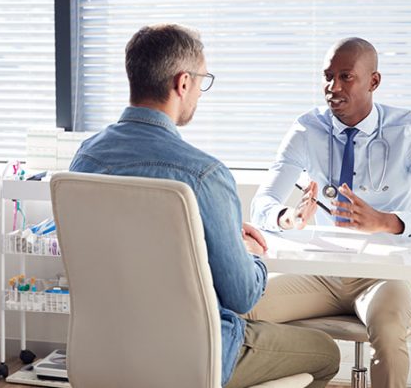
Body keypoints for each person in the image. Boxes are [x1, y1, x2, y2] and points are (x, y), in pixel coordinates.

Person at [70, 24, 340, 388]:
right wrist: (246, 251)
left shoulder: (85, 159)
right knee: (326, 353)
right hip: (198, 355)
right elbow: (242, 295)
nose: (200, 91)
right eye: (202, 80)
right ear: (183, 83)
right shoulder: (204, 174)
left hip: (107, 349)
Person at [250, 37, 411, 388]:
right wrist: (288, 218)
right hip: (322, 273)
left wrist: (385, 221)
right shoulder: (307, 129)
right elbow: (262, 205)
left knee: (390, 337)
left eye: (346, 77)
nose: (333, 87)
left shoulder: (408, 131)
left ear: (373, 81)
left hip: (385, 273)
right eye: (327, 76)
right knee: (238, 309)